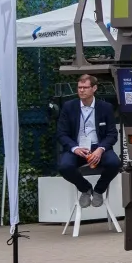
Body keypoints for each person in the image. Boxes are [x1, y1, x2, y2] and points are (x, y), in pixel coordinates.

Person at [56, 72, 120, 207]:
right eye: (79, 87)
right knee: (64, 166)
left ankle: (98, 190)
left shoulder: (105, 107)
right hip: (77, 147)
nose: (81, 90)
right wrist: (75, 148)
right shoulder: (69, 106)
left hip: (98, 147)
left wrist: (101, 149)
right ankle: (85, 189)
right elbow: (62, 134)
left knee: (114, 163)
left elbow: (112, 134)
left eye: (85, 87)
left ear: (94, 88)